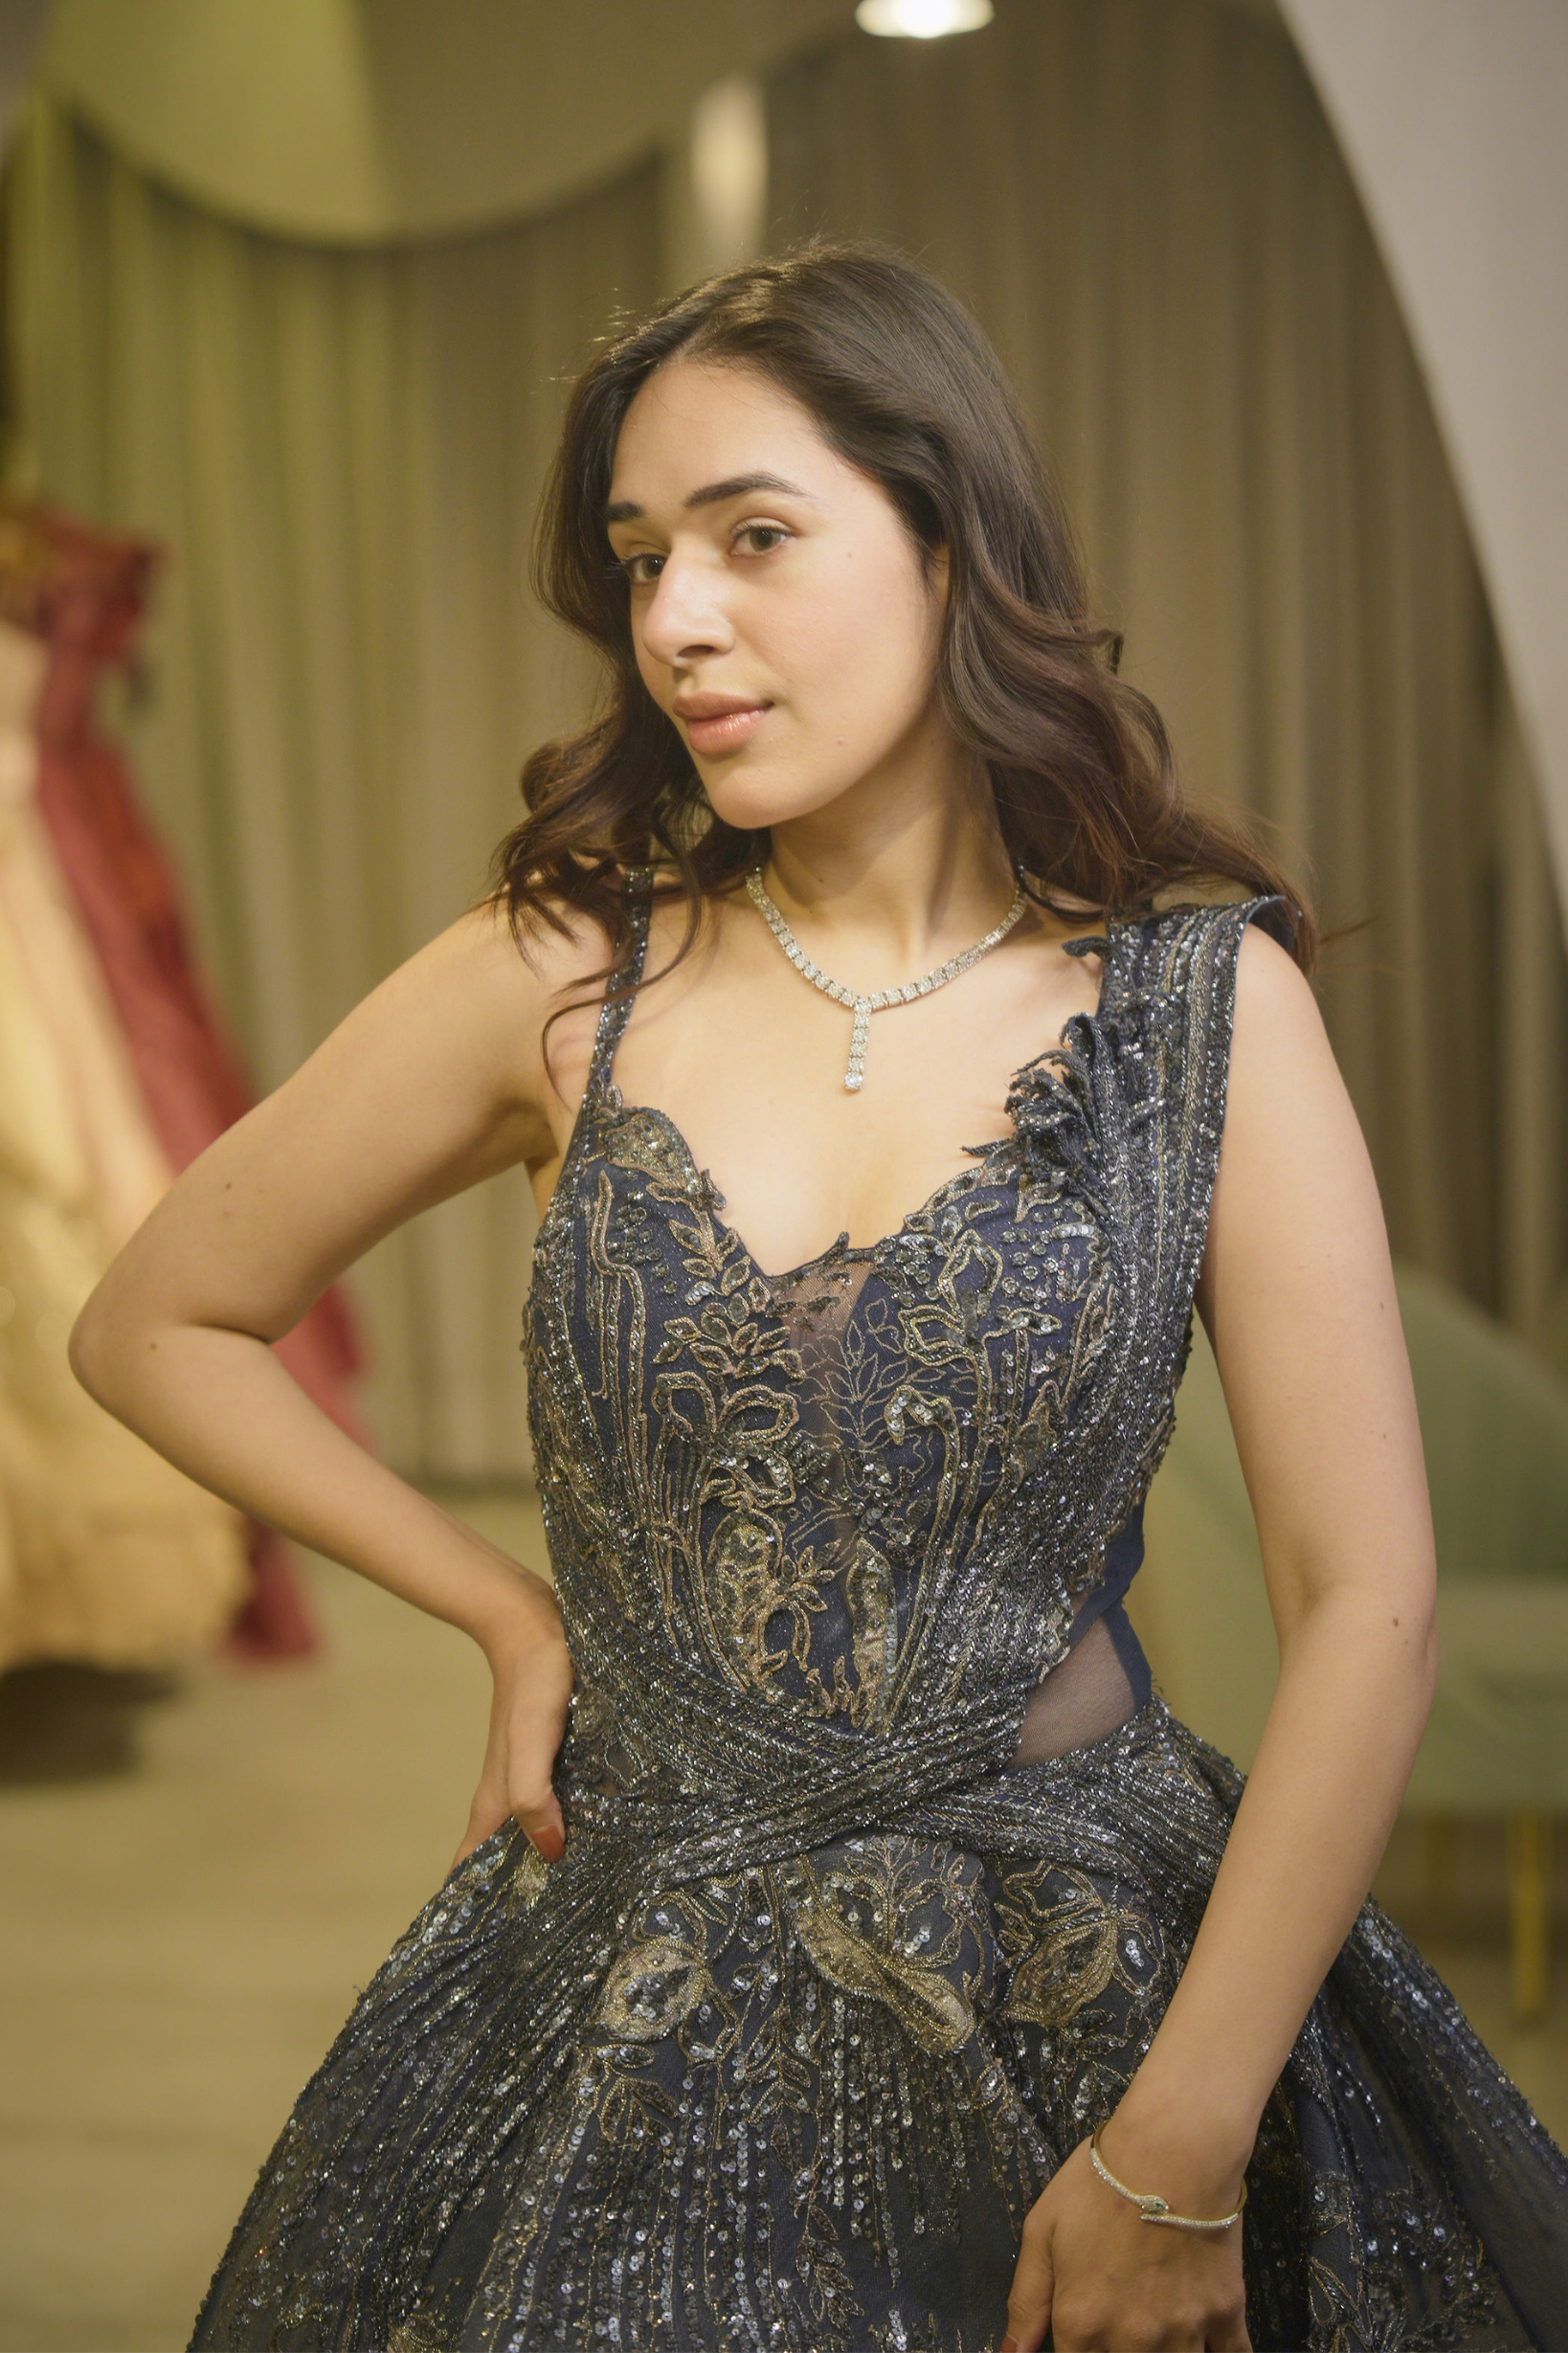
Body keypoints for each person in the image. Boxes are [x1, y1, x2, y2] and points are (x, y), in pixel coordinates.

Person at [71, 241, 1568, 2352]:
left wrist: (1184, 2138)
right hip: (623, 1994)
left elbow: (1368, 1599)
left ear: (949, 545)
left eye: (752, 536)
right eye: (640, 559)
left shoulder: (1201, 1008)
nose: (676, 619)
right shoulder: (564, 972)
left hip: (1104, 1992)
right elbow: (152, 1319)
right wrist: (505, 1608)